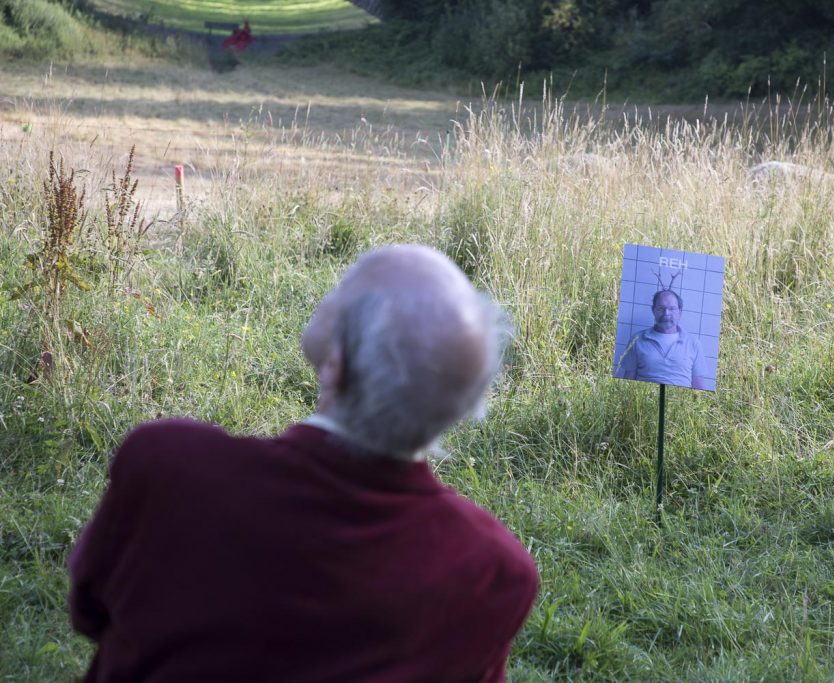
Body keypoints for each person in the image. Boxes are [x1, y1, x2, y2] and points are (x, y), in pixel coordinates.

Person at [69, 245, 539, 682]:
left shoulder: (170, 467)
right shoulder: (496, 573)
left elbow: (90, 611)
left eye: (345, 284)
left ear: (337, 365)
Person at [615, 289, 708, 389]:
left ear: (680, 312)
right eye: (660, 308)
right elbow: (628, 379)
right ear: (653, 310)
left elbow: (698, 385)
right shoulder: (637, 340)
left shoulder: (693, 343)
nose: (666, 313)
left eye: (672, 309)